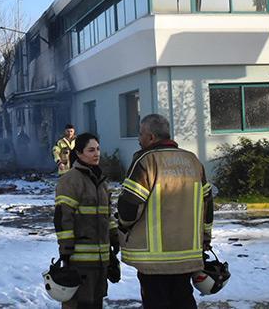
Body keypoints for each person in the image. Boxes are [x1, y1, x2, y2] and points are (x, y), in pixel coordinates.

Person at [117, 114, 213, 309]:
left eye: (141, 134)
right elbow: (207, 204)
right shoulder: (193, 161)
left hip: (154, 261)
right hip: (187, 253)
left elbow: (130, 206)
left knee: (156, 302)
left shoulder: (146, 161)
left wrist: (123, 227)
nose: (139, 138)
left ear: (151, 137)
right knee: (184, 300)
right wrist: (205, 236)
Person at [54, 132, 119, 309]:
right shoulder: (70, 180)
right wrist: (66, 250)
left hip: (100, 260)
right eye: (91, 150)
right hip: (79, 260)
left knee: (96, 304)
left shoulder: (101, 181)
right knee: (78, 305)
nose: (96, 153)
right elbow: (63, 217)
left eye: (98, 149)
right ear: (79, 153)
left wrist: (113, 236)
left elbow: (107, 214)